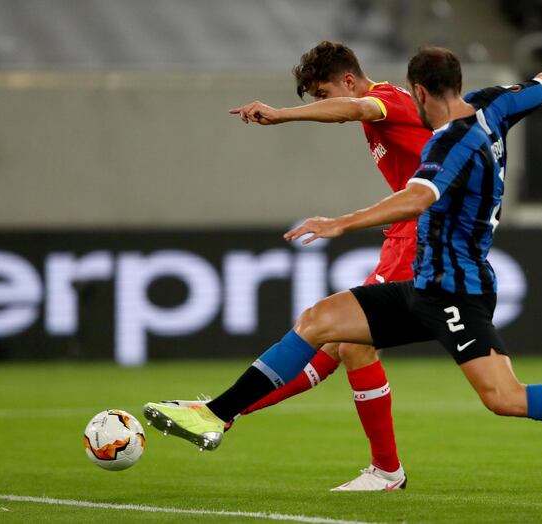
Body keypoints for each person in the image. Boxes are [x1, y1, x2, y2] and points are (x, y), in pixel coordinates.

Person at [144, 47, 542, 486]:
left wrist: (339, 223)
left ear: (418, 91)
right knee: (320, 322)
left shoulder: (451, 141)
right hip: (424, 284)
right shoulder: (492, 106)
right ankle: (217, 413)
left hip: (455, 290)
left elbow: (417, 198)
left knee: (505, 399)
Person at [168, 40, 432, 491]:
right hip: (403, 240)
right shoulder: (386, 106)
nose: (325, 103)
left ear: (348, 81)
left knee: (340, 336)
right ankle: (223, 412)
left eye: (324, 94)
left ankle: (221, 412)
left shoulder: (385, 101)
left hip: (421, 241)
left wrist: (282, 114)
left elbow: (355, 109)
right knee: (337, 343)